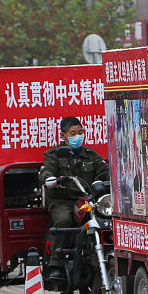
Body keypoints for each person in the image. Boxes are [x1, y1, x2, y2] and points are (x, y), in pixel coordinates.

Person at [41, 117, 109, 284]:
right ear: (63, 136)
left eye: (80, 132)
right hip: (61, 201)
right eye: (73, 133)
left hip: (86, 200)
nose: (78, 136)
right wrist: (52, 179)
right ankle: (56, 263)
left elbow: (106, 171)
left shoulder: (91, 155)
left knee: (106, 217)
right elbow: (46, 174)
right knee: (64, 220)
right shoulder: (54, 155)